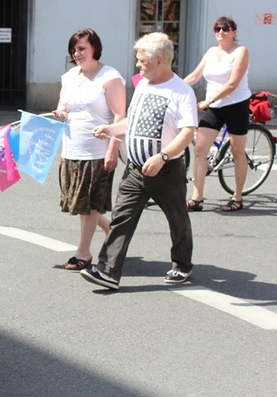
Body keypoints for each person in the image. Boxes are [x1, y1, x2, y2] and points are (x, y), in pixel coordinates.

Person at [80, 32, 197, 290]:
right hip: (135, 169)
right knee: (122, 218)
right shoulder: (143, 84)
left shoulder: (181, 91)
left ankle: (182, 264)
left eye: (142, 60)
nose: (137, 65)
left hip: (166, 170)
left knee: (177, 220)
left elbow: (188, 132)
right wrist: (111, 130)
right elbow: (133, 121)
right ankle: (108, 271)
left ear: (159, 61)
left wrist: (163, 156)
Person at [51, 28, 125, 271]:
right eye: (74, 49)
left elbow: (120, 116)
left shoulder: (109, 76)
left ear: (95, 48)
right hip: (72, 149)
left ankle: (83, 252)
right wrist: (60, 112)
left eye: (82, 48)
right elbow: (63, 104)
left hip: (97, 151)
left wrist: (113, 149)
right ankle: (110, 230)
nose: (77, 53)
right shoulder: (70, 76)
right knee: (80, 203)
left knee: (90, 204)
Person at [184, 16, 251, 212]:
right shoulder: (212, 52)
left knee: (238, 152)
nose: (221, 32)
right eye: (217, 29)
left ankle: (237, 197)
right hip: (214, 108)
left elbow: (232, 84)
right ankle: (197, 198)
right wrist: (173, 86)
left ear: (234, 32)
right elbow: (195, 76)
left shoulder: (240, 51)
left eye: (226, 28)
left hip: (236, 105)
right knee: (199, 151)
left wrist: (208, 101)